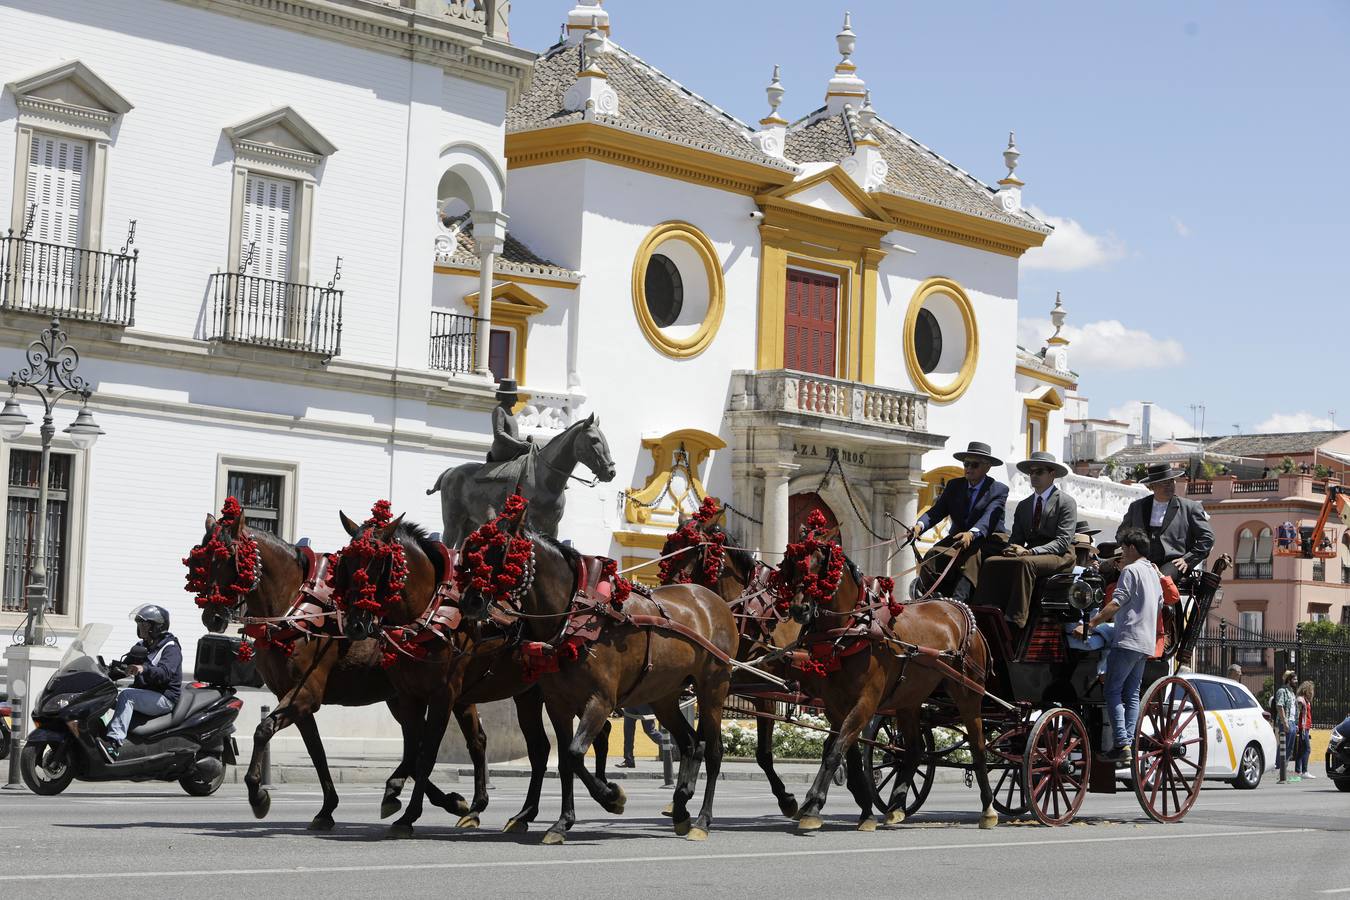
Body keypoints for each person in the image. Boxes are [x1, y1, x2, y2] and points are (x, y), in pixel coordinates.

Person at [1075, 528, 1161, 763]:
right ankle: (1129, 742)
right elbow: (1161, 602)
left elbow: (1116, 603)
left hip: (1128, 638)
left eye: (1123, 549)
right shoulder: (1154, 572)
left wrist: (1091, 624)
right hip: (1146, 642)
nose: (1122, 554)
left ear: (1132, 548)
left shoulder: (1131, 571)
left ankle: (1122, 742)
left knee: (1112, 690)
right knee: (1132, 693)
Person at [976, 451, 1077, 634]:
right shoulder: (1024, 505)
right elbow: (1016, 539)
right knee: (992, 562)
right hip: (1030, 553)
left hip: (1059, 556)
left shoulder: (1065, 502)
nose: (1034, 476)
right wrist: (1011, 549)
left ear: (1051, 474)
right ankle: (984, 612)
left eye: (1039, 472)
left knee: (1025, 563)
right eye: (1031, 472)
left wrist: (1031, 552)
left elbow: (1062, 541)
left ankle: (1015, 620)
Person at [907, 441, 1009, 603]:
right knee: (933, 553)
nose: (968, 468)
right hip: (958, 538)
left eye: (974, 465)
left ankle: (959, 602)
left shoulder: (998, 489)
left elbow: (989, 518)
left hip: (987, 539)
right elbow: (936, 512)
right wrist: (919, 526)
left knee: (971, 558)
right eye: (966, 463)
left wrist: (972, 533)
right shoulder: (954, 485)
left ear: (987, 467)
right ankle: (927, 597)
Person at [99, 604, 182, 761]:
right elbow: (124, 667)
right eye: (139, 624)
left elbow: (165, 674)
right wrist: (102, 672)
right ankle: (98, 734)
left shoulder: (171, 648)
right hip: (146, 694)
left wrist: (144, 669)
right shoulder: (142, 647)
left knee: (127, 695)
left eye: (144, 624)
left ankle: (114, 744)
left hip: (164, 698)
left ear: (156, 626)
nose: (140, 628)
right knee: (104, 695)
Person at [1115, 463, 1214, 579]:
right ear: (1152, 486)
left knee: (1160, 579)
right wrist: (1129, 552)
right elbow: (1121, 534)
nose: (1169, 486)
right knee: (1111, 573)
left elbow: (1207, 538)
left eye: (1171, 481)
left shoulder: (1190, 508)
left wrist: (1187, 559)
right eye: (1164, 483)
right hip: (1141, 559)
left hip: (1174, 562)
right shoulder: (1137, 507)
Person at [486, 378, 531, 464]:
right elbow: (499, 433)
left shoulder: (508, 411)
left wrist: (524, 442)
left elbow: (513, 436)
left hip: (511, 447)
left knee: (533, 448)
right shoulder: (500, 410)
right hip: (502, 450)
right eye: (514, 396)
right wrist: (518, 444)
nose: (517, 399)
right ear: (507, 397)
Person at [1273, 669, 1297, 783]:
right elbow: (1280, 706)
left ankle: (1284, 769)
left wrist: (1295, 723)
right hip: (1285, 722)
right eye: (1294, 679)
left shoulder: (1292, 692)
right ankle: (1278, 768)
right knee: (1283, 746)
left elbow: (1294, 709)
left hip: (1292, 722)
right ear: (1289, 680)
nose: (1296, 681)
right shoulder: (1282, 691)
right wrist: (1285, 722)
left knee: (1290, 748)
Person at [1295, 680, 1316, 779]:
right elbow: (1297, 712)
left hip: (1305, 728)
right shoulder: (1301, 699)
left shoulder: (1306, 701)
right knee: (1307, 749)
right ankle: (1304, 771)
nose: (1312, 692)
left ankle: (1297, 771)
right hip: (1302, 728)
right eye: (1311, 690)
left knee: (1301, 750)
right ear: (1306, 690)